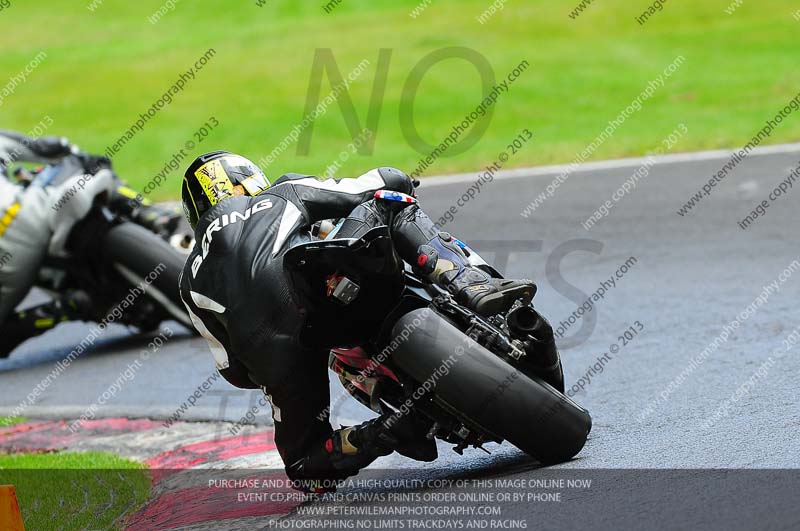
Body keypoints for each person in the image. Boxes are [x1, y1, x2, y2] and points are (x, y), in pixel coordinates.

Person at [179, 151, 536, 489]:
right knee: (388, 203)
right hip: (326, 289)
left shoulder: (188, 278)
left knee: (305, 469)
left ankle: (384, 432)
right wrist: (401, 182)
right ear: (249, 179)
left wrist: (274, 373)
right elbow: (379, 181)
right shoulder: (280, 194)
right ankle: (469, 282)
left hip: (277, 352)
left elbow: (233, 371)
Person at [0, 130, 178, 357]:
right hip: (38, 210)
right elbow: (51, 146)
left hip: (15, 269)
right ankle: (148, 211)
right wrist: (68, 150)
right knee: (83, 164)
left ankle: (63, 309)